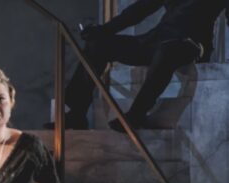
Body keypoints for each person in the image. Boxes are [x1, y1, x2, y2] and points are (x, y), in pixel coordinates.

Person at [46, 0, 229, 132]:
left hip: (191, 44)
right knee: (98, 45)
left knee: (167, 50)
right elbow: (140, 9)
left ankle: (136, 114)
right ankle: (77, 113)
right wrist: (103, 30)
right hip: (156, 39)